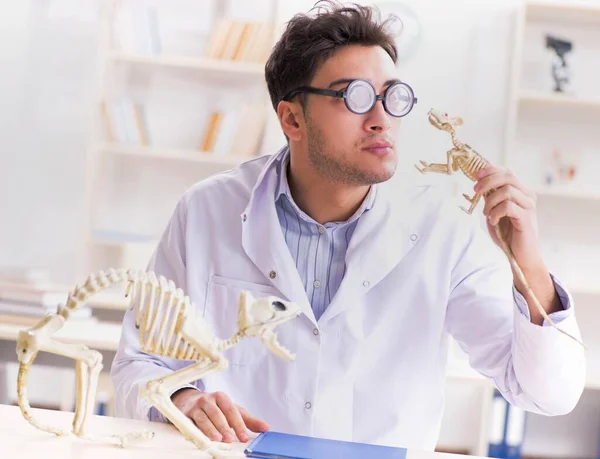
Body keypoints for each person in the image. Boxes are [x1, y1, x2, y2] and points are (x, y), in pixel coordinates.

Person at [110, 0, 585, 451]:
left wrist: (530, 262)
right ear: (292, 118)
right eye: (355, 97)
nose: (381, 120)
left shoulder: (444, 232)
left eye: (392, 97)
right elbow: (138, 363)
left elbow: (546, 394)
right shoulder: (206, 211)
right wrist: (181, 399)